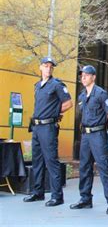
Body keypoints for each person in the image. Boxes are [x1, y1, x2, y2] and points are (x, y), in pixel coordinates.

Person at [23, 57, 73, 207]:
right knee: (37, 161)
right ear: (40, 67)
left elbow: (68, 103)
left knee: (51, 161)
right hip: (37, 127)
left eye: (51, 67)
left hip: (48, 127)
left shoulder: (57, 85)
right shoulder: (38, 85)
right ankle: (38, 192)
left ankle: (57, 196)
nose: (48, 69)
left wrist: (54, 112)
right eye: (46, 66)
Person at [70, 65, 108, 214]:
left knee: (103, 167)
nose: (83, 77)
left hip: (97, 134)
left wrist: (102, 125)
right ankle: (85, 199)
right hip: (85, 135)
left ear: (93, 77)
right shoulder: (81, 96)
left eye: (86, 75)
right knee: (84, 167)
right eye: (81, 75)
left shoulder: (101, 94)